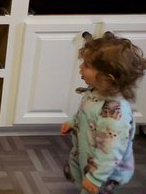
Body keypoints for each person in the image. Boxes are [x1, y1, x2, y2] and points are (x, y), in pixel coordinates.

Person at [61, 31, 146, 193]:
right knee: (83, 184)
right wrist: (73, 122)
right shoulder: (96, 91)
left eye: (86, 66)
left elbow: (111, 150)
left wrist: (96, 178)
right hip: (87, 155)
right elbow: (85, 112)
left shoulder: (115, 114)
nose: (80, 67)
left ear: (108, 77)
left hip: (104, 171)